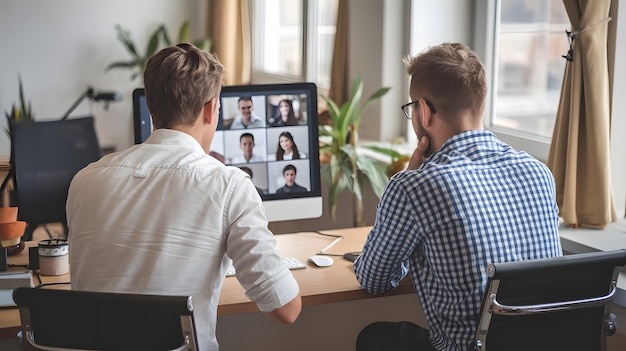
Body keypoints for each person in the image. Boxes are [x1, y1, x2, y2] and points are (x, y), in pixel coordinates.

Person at [66, 43, 301, 351]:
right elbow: (285, 308)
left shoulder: (84, 180)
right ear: (210, 109)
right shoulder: (228, 185)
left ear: (151, 107)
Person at [353, 42, 562, 351]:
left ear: (423, 111)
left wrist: (407, 183)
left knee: (374, 338)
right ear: (480, 102)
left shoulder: (416, 187)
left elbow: (373, 279)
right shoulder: (538, 172)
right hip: (545, 344)